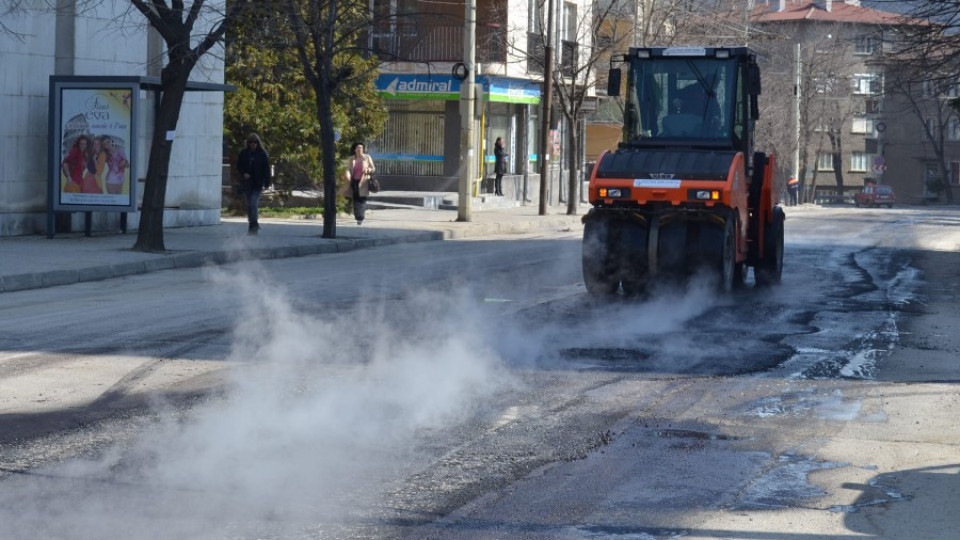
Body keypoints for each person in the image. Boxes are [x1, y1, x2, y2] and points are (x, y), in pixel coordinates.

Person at [236, 133, 271, 235]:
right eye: (250, 142)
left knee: (253, 201)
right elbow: (239, 166)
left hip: (257, 182)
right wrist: (244, 173)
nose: (252, 144)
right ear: (248, 143)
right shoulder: (244, 153)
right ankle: (251, 224)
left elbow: (266, 169)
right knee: (249, 204)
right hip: (247, 182)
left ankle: (254, 223)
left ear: (258, 143)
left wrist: (267, 183)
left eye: (254, 142)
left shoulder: (262, 154)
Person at [343, 142, 375, 225]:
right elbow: (348, 169)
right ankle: (357, 216)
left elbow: (372, 168)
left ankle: (360, 217)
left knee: (362, 199)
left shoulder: (367, 157)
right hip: (354, 181)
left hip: (363, 181)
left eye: (361, 147)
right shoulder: (351, 159)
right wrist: (347, 175)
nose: (360, 149)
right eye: (358, 147)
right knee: (356, 198)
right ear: (355, 149)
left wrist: (368, 170)